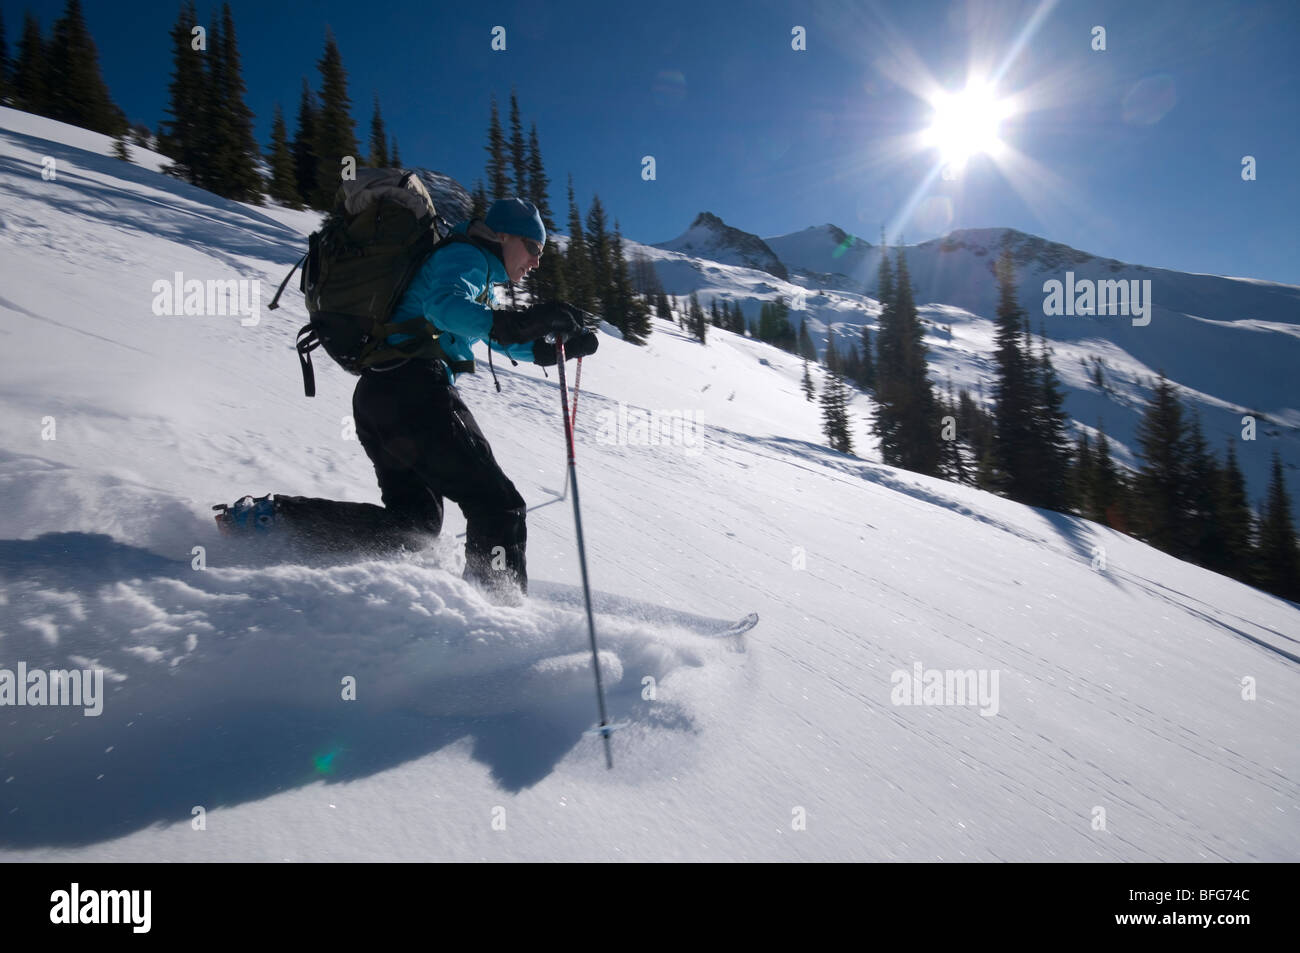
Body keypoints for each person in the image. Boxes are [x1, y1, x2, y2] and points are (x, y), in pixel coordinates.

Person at [217, 197, 598, 602]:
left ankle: (274, 521)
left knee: (412, 527)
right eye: (533, 248)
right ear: (503, 236)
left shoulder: (471, 272)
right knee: (497, 504)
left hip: (380, 398)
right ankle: (497, 615)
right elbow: (446, 308)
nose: (536, 262)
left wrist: (548, 348)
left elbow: (488, 331)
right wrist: (525, 322)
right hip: (416, 390)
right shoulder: (465, 256)